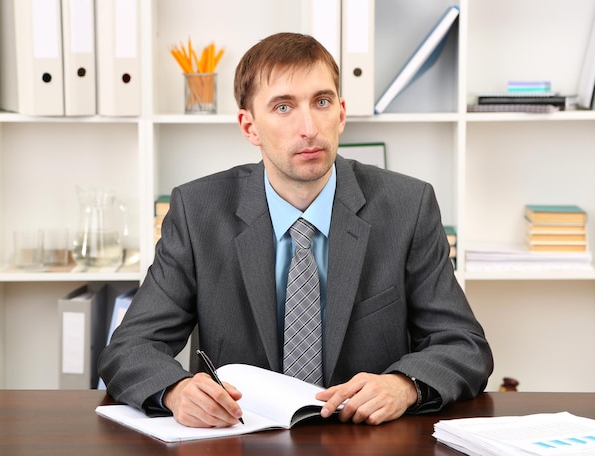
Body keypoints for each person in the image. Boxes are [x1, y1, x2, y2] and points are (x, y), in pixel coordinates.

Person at [99, 32, 493, 428]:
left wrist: (404, 384)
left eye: (321, 102)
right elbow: (130, 348)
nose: (309, 127)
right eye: (283, 107)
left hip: (365, 439)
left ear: (340, 113)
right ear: (249, 127)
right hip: (240, 438)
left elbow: (464, 345)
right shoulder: (197, 211)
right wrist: (175, 390)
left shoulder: (408, 206)